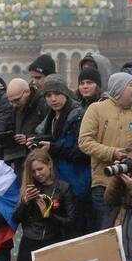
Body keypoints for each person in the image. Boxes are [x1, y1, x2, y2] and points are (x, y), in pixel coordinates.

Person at [78, 71, 132, 231]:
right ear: (119, 87)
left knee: (131, 232)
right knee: (106, 232)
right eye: (131, 86)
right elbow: (84, 142)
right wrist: (112, 153)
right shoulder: (96, 109)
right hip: (104, 184)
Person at [31, 74, 91, 235]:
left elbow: (81, 150)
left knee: (76, 231)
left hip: (76, 182)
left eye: (56, 94)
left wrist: (52, 147)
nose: (53, 99)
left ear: (65, 93)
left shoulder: (78, 115)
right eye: (48, 95)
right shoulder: (51, 118)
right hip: (60, 182)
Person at [12, 149, 75, 261]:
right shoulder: (30, 187)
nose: (37, 174)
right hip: (29, 243)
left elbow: (71, 222)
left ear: (49, 164)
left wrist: (48, 214)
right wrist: (25, 202)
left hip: (52, 242)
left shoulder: (64, 187)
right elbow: (15, 219)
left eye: (40, 169)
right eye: (33, 171)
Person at [6, 77, 46, 177]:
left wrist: (28, 138)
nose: (14, 104)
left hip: (39, 162)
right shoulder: (16, 108)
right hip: (21, 160)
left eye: (17, 100)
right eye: (11, 102)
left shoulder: (43, 104)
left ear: (27, 92)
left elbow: (52, 133)